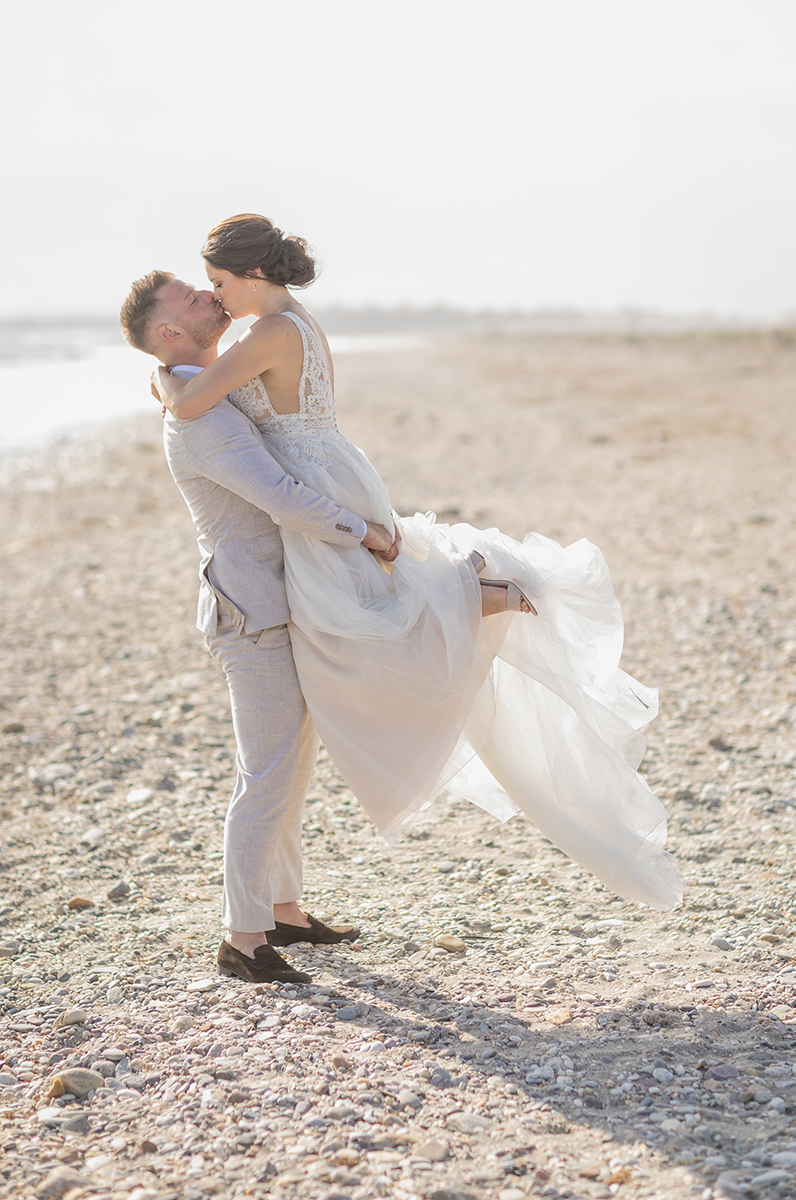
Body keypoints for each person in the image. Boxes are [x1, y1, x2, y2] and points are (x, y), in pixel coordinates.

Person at [153, 214, 685, 913]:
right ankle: (467, 590)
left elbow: (192, 401)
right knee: (355, 607)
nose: (217, 298)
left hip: (316, 483)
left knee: (349, 624)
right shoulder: (295, 321)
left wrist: (163, 379)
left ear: (254, 276)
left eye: (221, 284)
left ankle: (468, 593)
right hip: (332, 468)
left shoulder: (265, 333)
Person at [120, 270, 403, 985]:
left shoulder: (205, 390)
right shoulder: (203, 417)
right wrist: (362, 531)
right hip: (249, 610)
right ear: (168, 334)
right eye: (193, 298)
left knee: (292, 762)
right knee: (267, 771)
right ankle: (242, 940)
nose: (210, 298)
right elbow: (279, 496)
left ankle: (283, 909)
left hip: (276, 600)